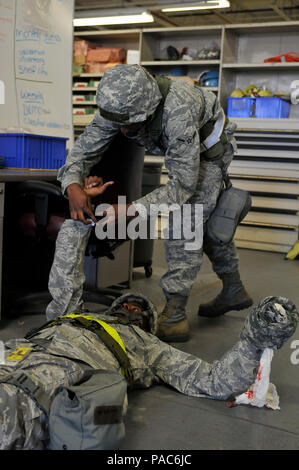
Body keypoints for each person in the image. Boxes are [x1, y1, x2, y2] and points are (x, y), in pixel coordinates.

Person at [56, 64, 253, 342]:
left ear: (149, 108)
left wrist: (130, 210)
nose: (123, 130)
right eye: (119, 123)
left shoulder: (178, 109)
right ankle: (233, 289)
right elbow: (82, 152)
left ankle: (175, 315)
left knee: (186, 220)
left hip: (209, 153)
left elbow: (182, 187)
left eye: (129, 123)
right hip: (180, 147)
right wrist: (72, 185)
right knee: (205, 227)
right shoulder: (117, 103)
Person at [0, 283, 297, 449]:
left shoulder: (150, 347)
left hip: (52, 379)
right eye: (125, 305)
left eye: (140, 311)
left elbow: (215, 382)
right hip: (14, 353)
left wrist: (254, 339)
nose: (131, 308)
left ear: (147, 325)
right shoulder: (76, 315)